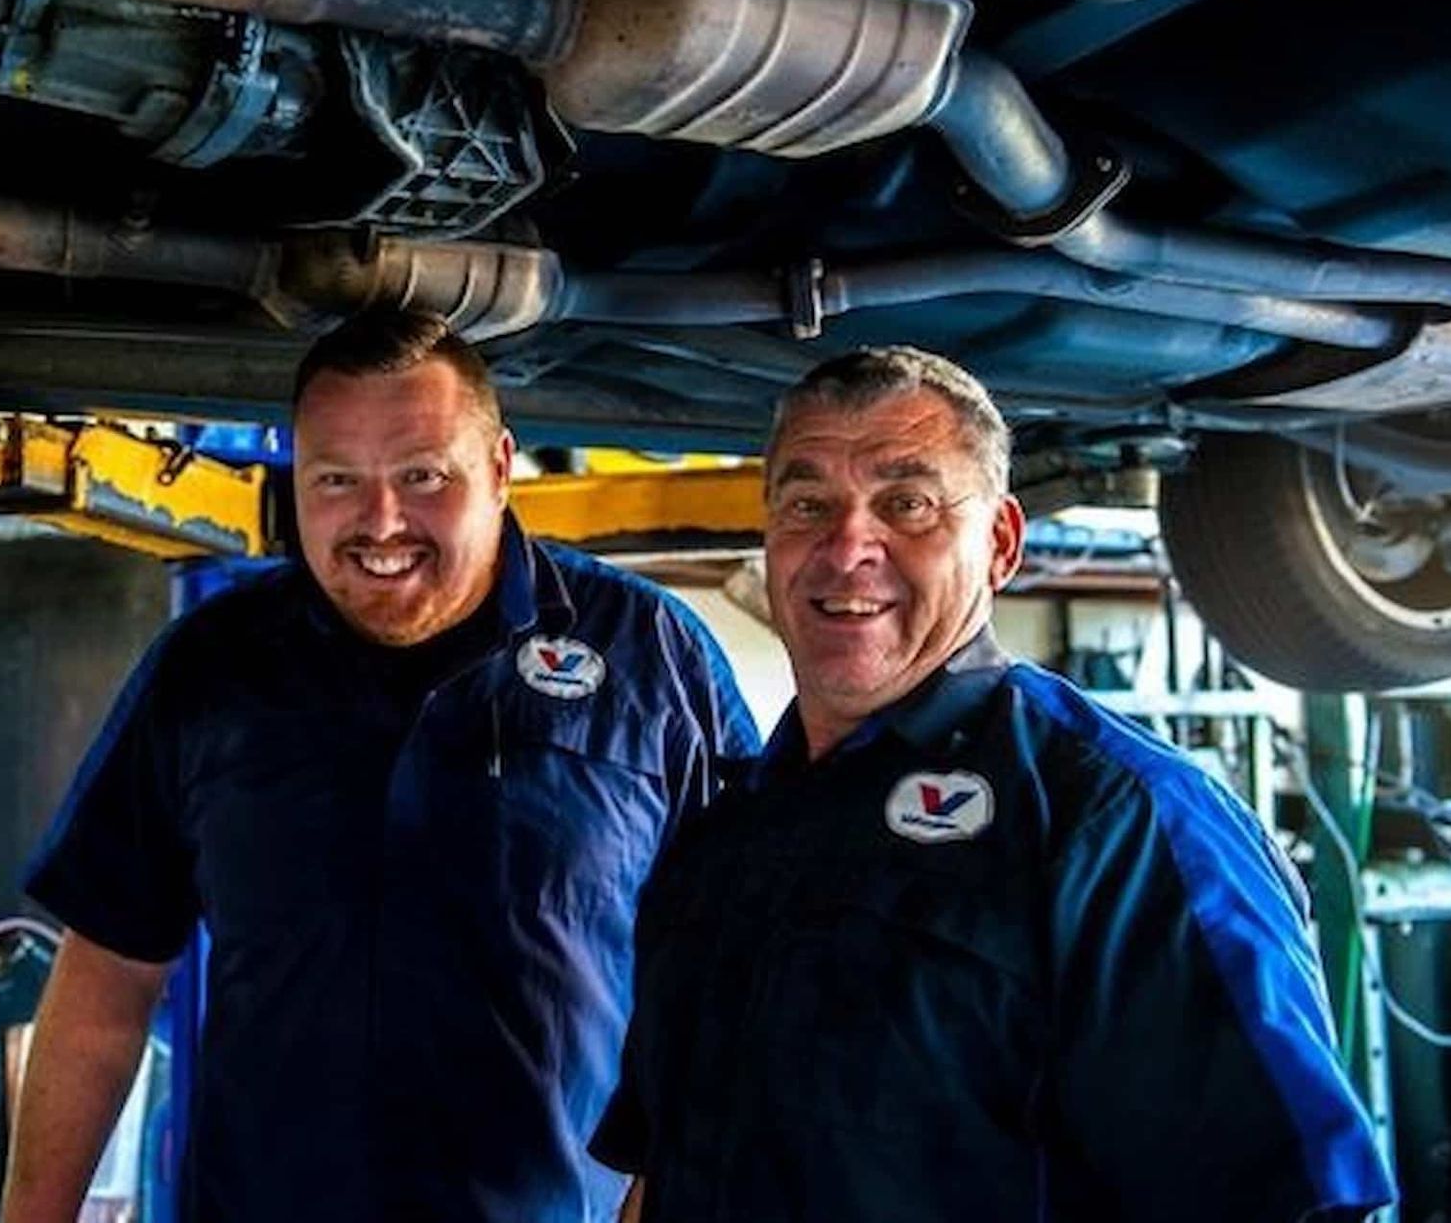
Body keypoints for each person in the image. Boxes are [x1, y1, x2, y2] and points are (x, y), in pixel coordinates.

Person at [592, 346, 1394, 1222]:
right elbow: (661, 1174)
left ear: (1002, 542)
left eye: (908, 503)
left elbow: (1289, 1203)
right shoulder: (727, 833)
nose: (848, 545)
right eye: (808, 504)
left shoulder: (1118, 820)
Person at [5, 308, 759, 1222]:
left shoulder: (651, 659)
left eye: (422, 475)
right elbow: (103, 988)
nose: (381, 521)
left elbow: (738, 986)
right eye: (337, 481)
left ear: (499, 467)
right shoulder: (211, 670)